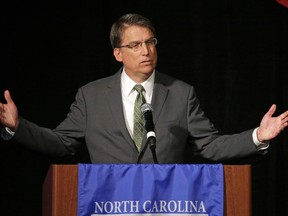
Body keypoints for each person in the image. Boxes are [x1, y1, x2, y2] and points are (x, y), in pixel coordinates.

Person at [0, 13, 287, 164]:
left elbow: (209, 146)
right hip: (107, 204)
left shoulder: (181, 93)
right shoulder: (91, 95)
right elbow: (62, 143)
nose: (146, 50)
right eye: (135, 45)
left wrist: (257, 136)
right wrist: (17, 127)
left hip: (167, 205)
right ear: (117, 53)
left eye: (150, 42)